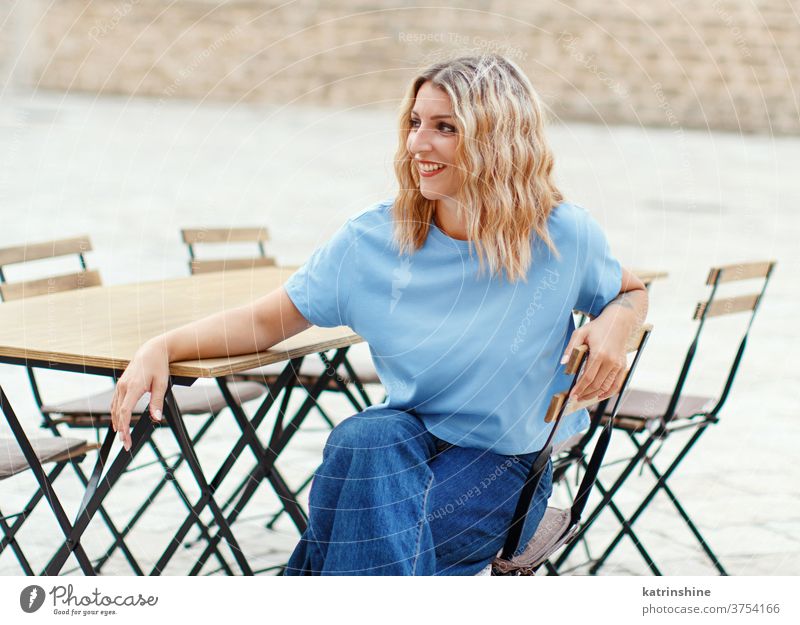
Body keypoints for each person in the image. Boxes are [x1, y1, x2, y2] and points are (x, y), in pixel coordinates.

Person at [111, 54, 647, 576]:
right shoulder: (373, 239)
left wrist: (615, 323)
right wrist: (162, 346)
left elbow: (630, 291)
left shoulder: (563, 236)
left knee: (356, 517)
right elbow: (265, 322)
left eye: (445, 127)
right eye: (414, 123)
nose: (418, 142)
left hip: (503, 470)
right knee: (366, 438)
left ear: (497, 138)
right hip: (401, 450)